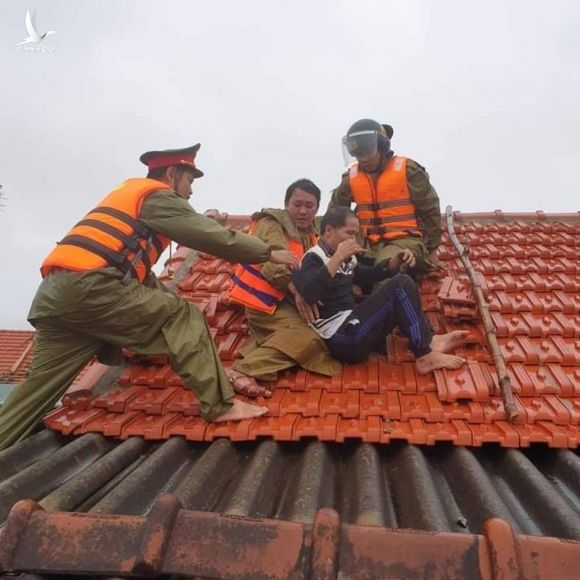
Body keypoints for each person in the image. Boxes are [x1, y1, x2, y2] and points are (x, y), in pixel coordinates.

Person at [0, 144, 299, 451]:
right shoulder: (157, 195)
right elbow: (210, 236)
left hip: (57, 297)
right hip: (94, 290)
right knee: (184, 316)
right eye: (190, 182)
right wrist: (267, 253)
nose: (191, 192)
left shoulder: (127, 197)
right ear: (172, 174)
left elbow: (140, 278)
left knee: (34, 394)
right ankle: (221, 406)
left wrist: (164, 303)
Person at [292, 207, 468, 374]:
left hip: (353, 325)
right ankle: (424, 355)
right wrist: (337, 258)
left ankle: (428, 339)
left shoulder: (346, 259)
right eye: (349, 233)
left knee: (401, 288)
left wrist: (394, 262)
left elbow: (367, 275)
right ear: (329, 231)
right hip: (340, 339)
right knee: (401, 285)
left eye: (356, 234)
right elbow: (309, 293)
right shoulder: (314, 257)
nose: (353, 240)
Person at [227, 179, 342, 395]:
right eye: (297, 204)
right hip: (265, 305)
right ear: (286, 204)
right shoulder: (271, 224)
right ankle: (242, 371)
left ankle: (259, 353)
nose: (303, 211)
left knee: (327, 333)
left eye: (310, 206)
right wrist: (297, 290)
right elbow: (274, 263)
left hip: (288, 306)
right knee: (310, 338)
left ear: (317, 208)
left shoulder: (314, 234)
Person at [328, 118, 442, 276]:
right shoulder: (350, 178)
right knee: (340, 273)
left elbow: (430, 209)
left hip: (403, 242)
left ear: (381, 148)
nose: (364, 159)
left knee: (386, 271)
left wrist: (432, 248)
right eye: (358, 154)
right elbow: (333, 214)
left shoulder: (408, 170)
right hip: (365, 245)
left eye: (367, 152)